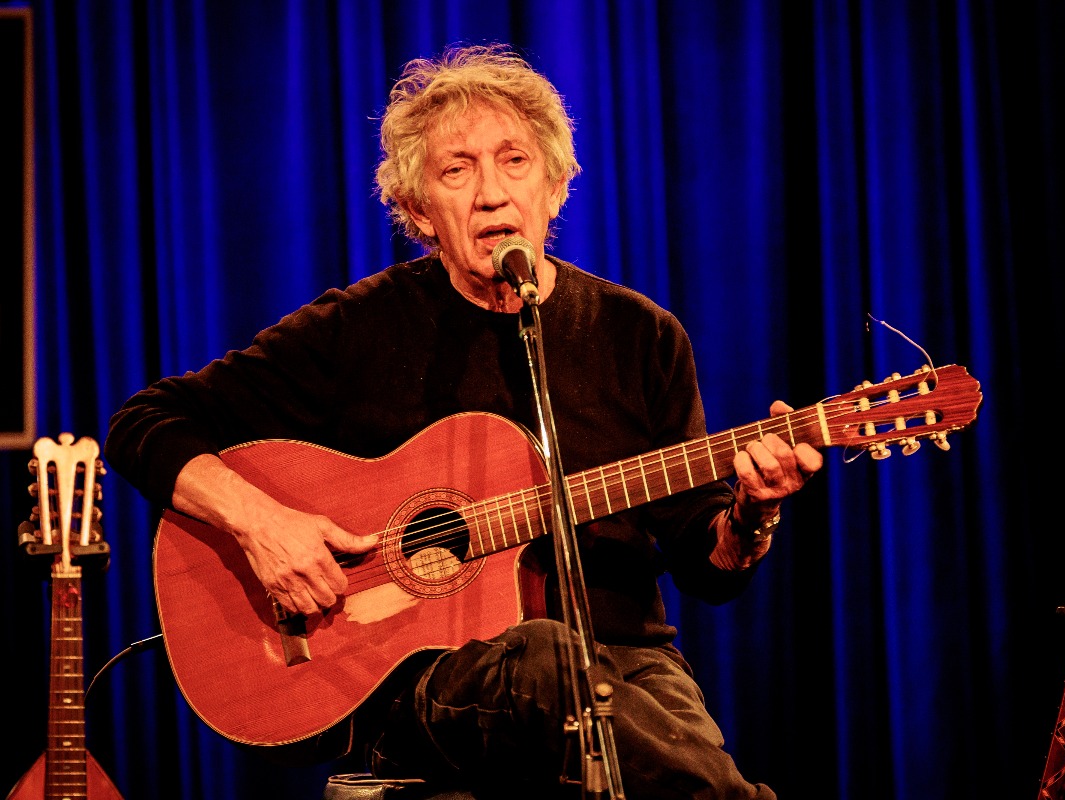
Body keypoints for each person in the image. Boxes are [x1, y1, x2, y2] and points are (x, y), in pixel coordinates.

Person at [104, 42, 823, 799]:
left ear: (555, 188)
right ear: (419, 210)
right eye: (457, 170)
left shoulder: (639, 334)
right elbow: (144, 423)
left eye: (514, 162)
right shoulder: (358, 330)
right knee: (543, 657)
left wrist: (751, 516)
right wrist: (262, 524)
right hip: (421, 680)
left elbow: (705, 569)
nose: (490, 194)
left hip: (625, 664)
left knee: (628, 700)